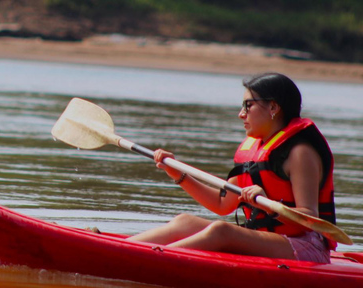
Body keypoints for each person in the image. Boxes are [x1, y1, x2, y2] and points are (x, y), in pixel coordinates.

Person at [127, 72, 336, 264]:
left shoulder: (300, 152)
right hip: (271, 239)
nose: (241, 114)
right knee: (185, 222)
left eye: (248, 105)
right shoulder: (254, 150)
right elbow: (222, 203)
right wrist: (178, 174)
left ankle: (143, 261)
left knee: (221, 230)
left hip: (306, 248)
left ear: (273, 107)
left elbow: (309, 218)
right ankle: (126, 248)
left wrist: (268, 205)